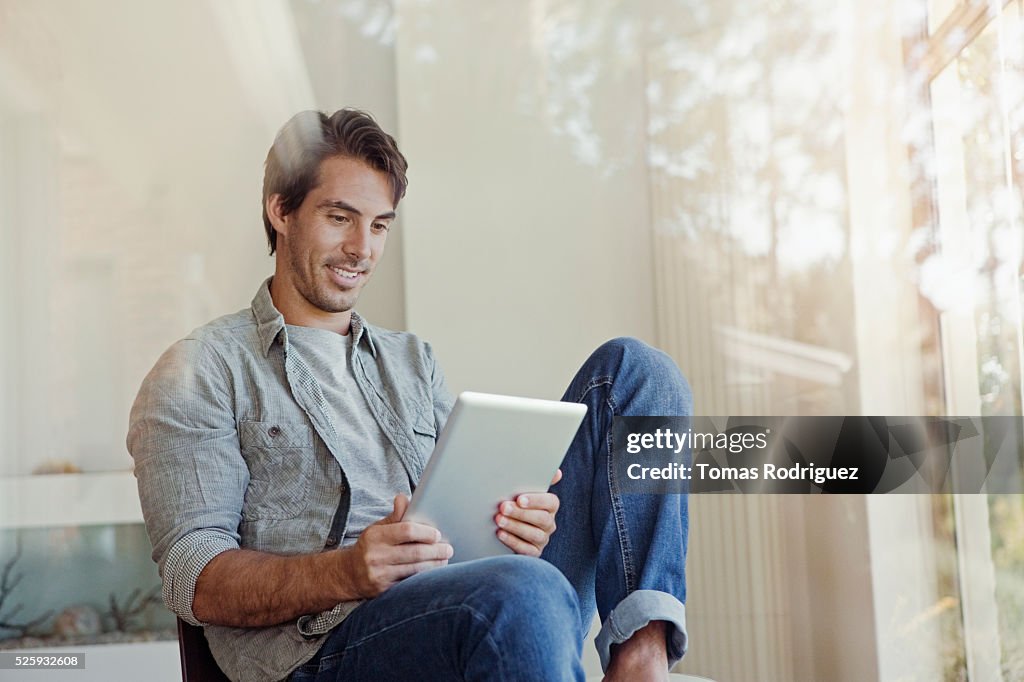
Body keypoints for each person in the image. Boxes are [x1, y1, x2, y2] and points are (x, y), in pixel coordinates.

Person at [127, 108, 692, 682]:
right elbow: (192, 577)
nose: (361, 249)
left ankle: (640, 658)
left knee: (636, 372)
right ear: (281, 210)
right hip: (331, 648)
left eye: (378, 225)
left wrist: (521, 527)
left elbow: (468, 528)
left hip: (480, 592)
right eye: (340, 218)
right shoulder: (200, 369)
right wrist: (347, 572)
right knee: (520, 588)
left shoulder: (411, 361)